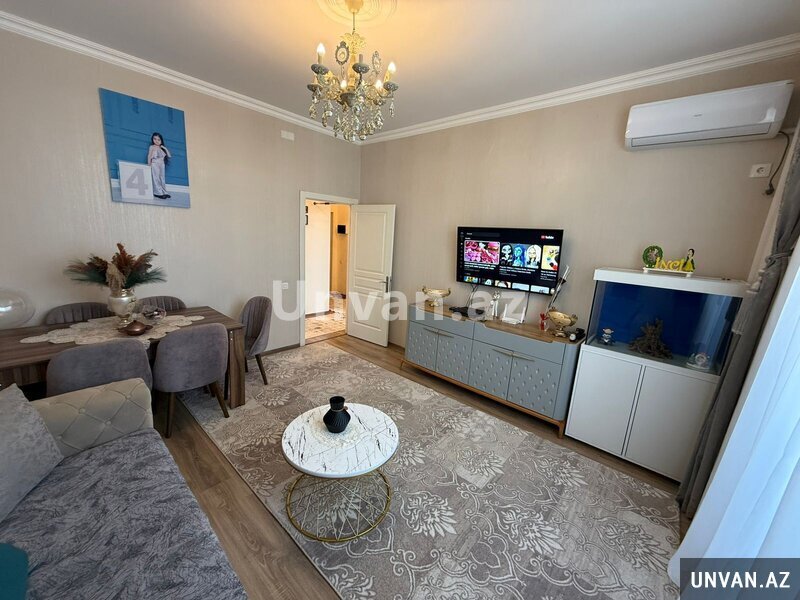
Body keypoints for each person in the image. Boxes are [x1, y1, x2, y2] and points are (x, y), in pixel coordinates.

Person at [147, 132, 172, 199]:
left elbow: (169, 156)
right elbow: (149, 155)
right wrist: (149, 164)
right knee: (156, 178)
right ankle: (157, 192)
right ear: (152, 139)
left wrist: (165, 148)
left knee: (162, 178)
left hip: (161, 164)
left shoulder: (162, 148)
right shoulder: (152, 147)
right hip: (154, 163)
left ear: (161, 141)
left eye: (158, 139)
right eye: (154, 139)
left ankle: (164, 192)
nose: (156, 141)